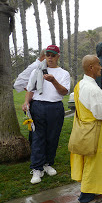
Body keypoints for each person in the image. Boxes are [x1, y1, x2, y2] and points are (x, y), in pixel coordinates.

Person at [70, 55, 102, 203]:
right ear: (91, 68)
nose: (101, 67)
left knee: (89, 163)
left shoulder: (81, 85)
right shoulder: (93, 89)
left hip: (84, 130)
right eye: (98, 64)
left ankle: (92, 194)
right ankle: (86, 197)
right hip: (95, 132)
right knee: (94, 165)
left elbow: (90, 106)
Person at [22, 45, 70, 184]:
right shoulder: (37, 71)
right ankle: (36, 168)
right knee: (38, 137)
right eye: (48, 54)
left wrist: (53, 81)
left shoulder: (63, 73)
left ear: (58, 57)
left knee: (53, 137)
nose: (50, 57)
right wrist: (26, 102)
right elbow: (30, 89)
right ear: (45, 55)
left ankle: (47, 163)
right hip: (38, 106)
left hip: (55, 107)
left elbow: (64, 92)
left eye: (53, 55)